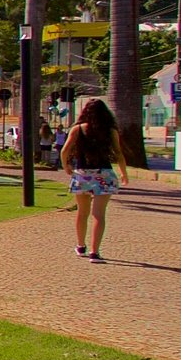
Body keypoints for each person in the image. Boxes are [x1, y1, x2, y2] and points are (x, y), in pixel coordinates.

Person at [59, 99, 127, 261]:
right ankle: (95, 252)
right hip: (104, 174)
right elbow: (118, 154)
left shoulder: (77, 130)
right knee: (99, 215)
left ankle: (81, 245)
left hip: (83, 174)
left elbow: (64, 150)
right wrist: (124, 173)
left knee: (82, 213)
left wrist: (66, 166)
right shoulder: (110, 131)